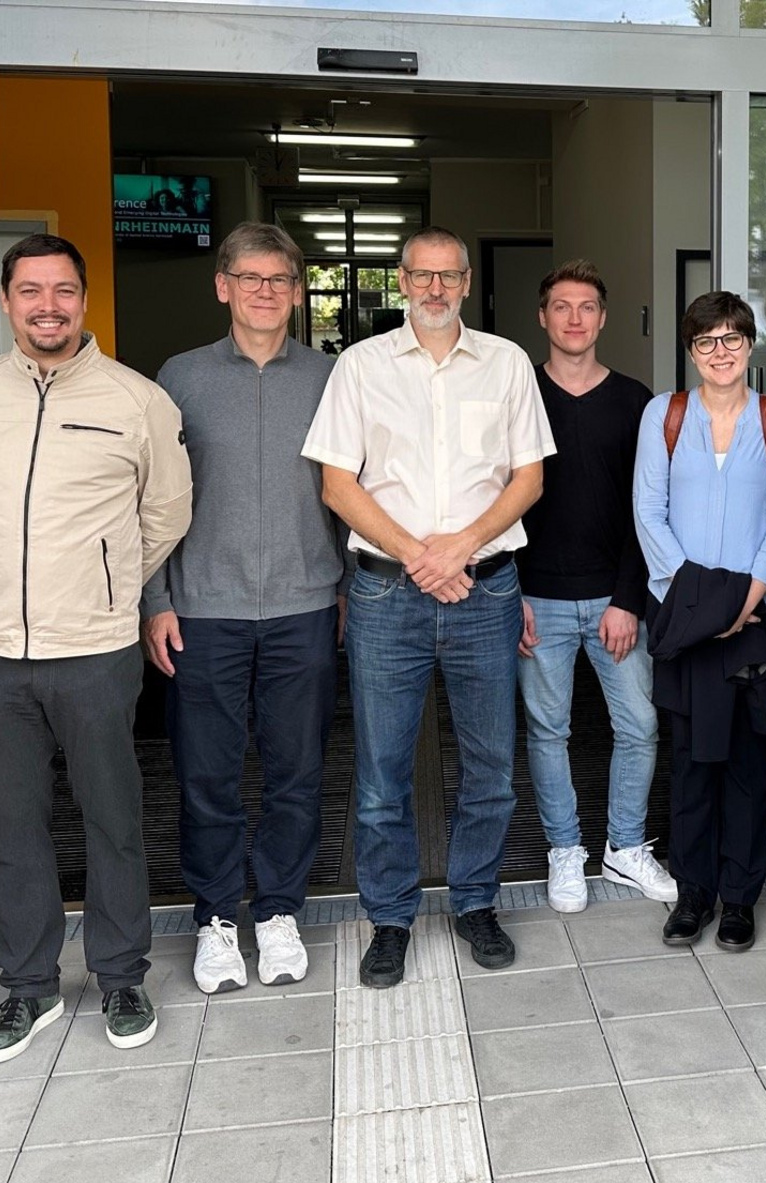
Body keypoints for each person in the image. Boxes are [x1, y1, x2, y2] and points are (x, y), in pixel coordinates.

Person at [0, 234, 193, 1063]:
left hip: (95, 649)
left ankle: (120, 975)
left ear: (84, 298)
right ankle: (29, 986)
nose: (49, 306)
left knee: (113, 820)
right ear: (7, 299)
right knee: (11, 829)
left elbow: (167, 513)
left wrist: (103, 582)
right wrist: (7, 575)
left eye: (64, 290)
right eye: (31, 290)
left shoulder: (137, 399)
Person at [303, 226, 554, 987]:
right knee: (382, 773)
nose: (436, 289)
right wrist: (422, 556)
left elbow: (529, 478)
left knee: (491, 766)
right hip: (386, 592)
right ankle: (389, 916)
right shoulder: (360, 366)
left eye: (449, 276)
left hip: (486, 588)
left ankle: (475, 901)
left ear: (467, 282)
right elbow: (338, 484)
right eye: (422, 275)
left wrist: (462, 546)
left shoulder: (507, 363)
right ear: (403, 281)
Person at [143, 223, 343, 994]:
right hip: (202, 608)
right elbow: (151, 495)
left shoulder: (329, 377)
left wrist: (346, 592)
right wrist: (157, 600)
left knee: (297, 770)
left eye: (280, 279)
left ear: (297, 291)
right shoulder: (180, 377)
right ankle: (218, 918)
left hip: (304, 604)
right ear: (222, 286)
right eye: (250, 277)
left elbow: (352, 488)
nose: (265, 291)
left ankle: (281, 910)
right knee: (207, 775)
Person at [633, 291, 766, 951]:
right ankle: (693, 894)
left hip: (754, 619)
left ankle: (739, 898)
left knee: (747, 763)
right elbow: (648, 513)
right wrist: (704, 604)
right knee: (691, 762)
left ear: (750, 345)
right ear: (691, 349)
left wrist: (745, 602)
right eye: (706, 341)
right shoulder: (665, 415)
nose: (720, 351)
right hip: (684, 618)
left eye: (732, 338)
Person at [516, 259, 675, 913]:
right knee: (547, 732)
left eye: (587, 307)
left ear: (603, 319)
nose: (575, 318)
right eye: (562, 306)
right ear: (543, 317)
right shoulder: (518, 393)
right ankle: (564, 850)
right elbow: (496, 497)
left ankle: (624, 847)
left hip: (615, 600)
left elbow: (649, 509)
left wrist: (628, 598)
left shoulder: (636, 402)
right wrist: (510, 594)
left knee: (638, 726)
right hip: (536, 599)